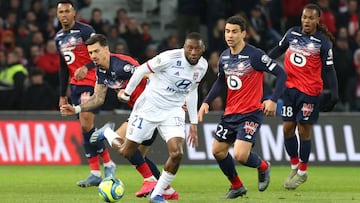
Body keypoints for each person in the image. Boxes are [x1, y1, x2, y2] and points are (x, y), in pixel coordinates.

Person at [60, 34, 178, 200]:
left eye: (96, 51)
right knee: (138, 155)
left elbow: (150, 75)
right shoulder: (101, 71)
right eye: (90, 53)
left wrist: (174, 96)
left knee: (123, 145)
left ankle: (149, 180)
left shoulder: (122, 65)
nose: (93, 56)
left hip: (150, 108)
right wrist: (77, 108)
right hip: (142, 111)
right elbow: (98, 98)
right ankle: (166, 190)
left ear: (106, 49)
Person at [198, 15, 287, 199]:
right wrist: (206, 102)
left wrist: (272, 99)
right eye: (227, 31)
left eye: (234, 32)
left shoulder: (255, 56)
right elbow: (220, 82)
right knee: (217, 151)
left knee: (239, 154)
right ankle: (237, 186)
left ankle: (263, 166)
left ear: (243, 34)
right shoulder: (224, 56)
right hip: (230, 113)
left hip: (250, 113)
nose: (229, 35)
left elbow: (281, 74)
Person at [116, 32, 208, 203]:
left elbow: (193, 91)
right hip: (149, 107)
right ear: (184, 48)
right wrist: (127, 93)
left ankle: (157, 194)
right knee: (127, 151)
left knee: (177, 153)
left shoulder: (202, 66)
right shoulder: (169, 57)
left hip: (173, 110)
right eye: (190, 48)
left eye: (197, 49)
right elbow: (141, 69)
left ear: (203, 49)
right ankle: (107, 134)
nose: (193, 52)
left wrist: (193, 122)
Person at [268, 3, 338, 189]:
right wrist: (263, 62)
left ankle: (303, 172)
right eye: (304, 17)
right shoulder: (292, 33)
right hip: (289, 88)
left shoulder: (323, 42)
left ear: (317, 20)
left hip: (310, 92)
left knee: (303, 130)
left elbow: (329, 70)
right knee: (287, 128)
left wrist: (334, 94)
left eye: (310, 18)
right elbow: (278, 49)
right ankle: (294, 165)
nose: (306, 21)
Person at [55, 0, 116, 187]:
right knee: (84, 128)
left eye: (67, 11)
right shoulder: (58, 37)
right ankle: (96, 172)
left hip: (92, 81)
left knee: (85, 123)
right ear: (57, 15)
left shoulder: (85, 31)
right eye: (61, 12)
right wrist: (62, 94)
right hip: (75, 86)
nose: (64, 15)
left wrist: (87, 66)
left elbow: (103, 53)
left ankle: (108, 164)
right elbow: (63, 68)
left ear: (74, 13)